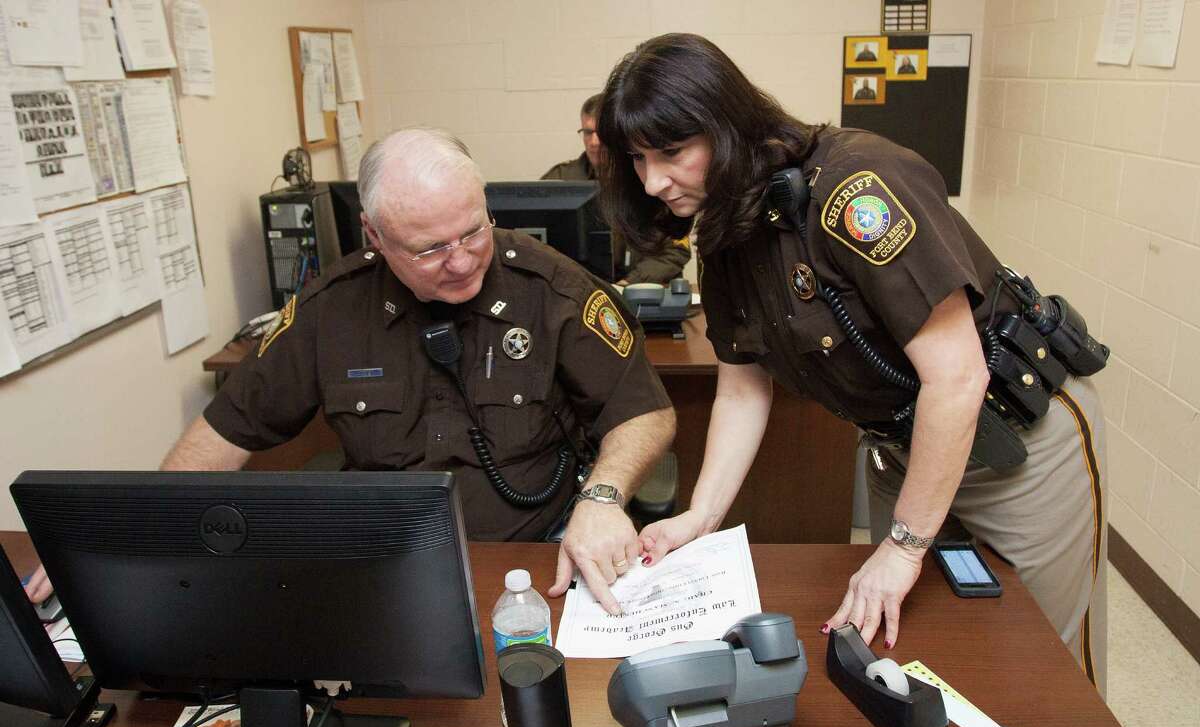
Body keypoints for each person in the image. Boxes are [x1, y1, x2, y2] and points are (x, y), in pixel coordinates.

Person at [596, 34, 1108, 693]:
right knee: (921, 653)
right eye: (637, 159)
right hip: (906, 450)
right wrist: (701, 516)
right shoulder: (724, 230)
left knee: (1044, 668)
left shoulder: (856, 188)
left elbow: (956, 376)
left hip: (1020, 443)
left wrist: (902, 546)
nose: (652, 181)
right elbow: (743, 390)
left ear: (727, 125)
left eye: (671, 153)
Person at [24, 128, 676, 615]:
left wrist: (602, 495)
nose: (461, 260)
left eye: (472, 231)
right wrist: (125, 530)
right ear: (373, 235)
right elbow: (226, 430)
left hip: (537, 558)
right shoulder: (331, 309)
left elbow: (644, 410)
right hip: (385, 571)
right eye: (429, 247)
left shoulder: (549, 286)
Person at [542, 94, 691, 286]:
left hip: (641, 290)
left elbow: (676, 249)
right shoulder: (560, 180)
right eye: (587, 132)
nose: (594, 142)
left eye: (601, 132)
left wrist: (629, 283)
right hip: (578, 293)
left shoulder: (649, 177)